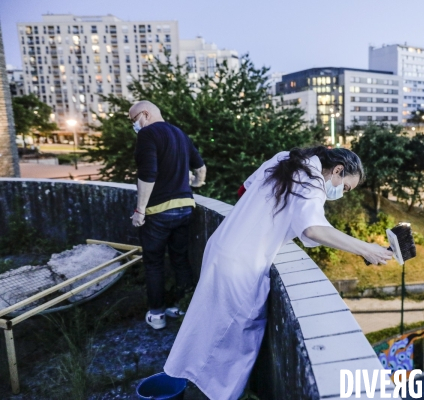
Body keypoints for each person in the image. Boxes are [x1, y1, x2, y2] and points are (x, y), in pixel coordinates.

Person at [164, 146, 392, 399]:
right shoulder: (313, 180)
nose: (342, 194)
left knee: (207, 323)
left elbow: (245, 190)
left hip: (222, 245)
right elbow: (314, 229)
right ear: (338, 170)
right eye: (345, 187)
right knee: (234, 339)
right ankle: (215, 393)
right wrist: (366, 249)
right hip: (240, 264)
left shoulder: (286, 158)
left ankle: (189, 380)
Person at [130, 100, 207, 330]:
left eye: (133, 120)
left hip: (158, 211)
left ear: (145, 114)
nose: (133, 125)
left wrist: (139, 211)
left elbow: (148, 174)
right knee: (180, 259)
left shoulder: (147, 135)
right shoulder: (179, 133)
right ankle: (181, 307)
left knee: (153, 263)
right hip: (185, 207)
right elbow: (200, 169)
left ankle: (157, 315)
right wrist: (196, 184)